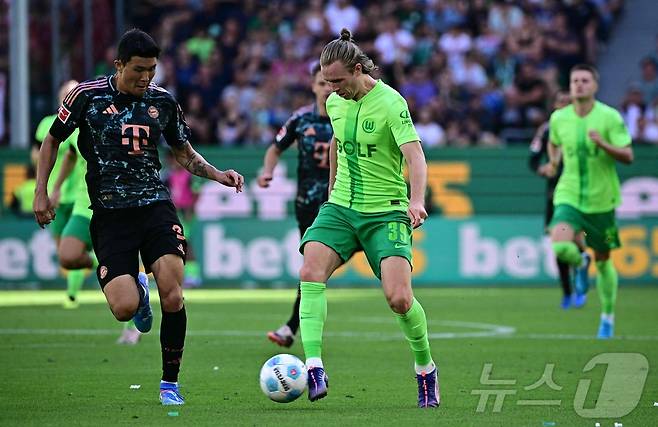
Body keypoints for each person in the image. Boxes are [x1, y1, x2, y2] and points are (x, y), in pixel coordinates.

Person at [33, 29, 244, 405]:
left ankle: (169, 383)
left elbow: (184, 153)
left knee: (174, 294)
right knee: (123, 308)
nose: (146, 78)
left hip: (154, 208)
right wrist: (41, 191)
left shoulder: (162, 102)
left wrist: (217, 174)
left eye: (152, 70)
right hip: (110, 215)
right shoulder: (86, 96)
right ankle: (137, 291)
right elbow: (52, 140)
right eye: (138, 70)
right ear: (119, 65)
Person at [297, 29, 439, 408]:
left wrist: (417, 200)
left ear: (358, 69)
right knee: (310, 272)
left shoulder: (392, 103)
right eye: (327, 82)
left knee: (399, 299)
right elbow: (337, 144)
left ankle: (425, 368)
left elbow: (415, 156)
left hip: (385, 211)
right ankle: (313, 366)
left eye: (338, 81)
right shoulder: (334, 103)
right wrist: (330, 193)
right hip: (342, 206)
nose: (331, 89)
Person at [546, 64, 633, 339]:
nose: (579, 85)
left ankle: (607, 317)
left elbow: (628, 155)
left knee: (605, 261)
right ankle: (581, 261)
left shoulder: (609, 118)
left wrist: (604, 145)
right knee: (560, 246)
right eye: (574, 81)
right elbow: (553, 141)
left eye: (585, 80)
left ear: (594, 86)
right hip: (569, 193)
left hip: (601, 199)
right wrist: (553, 160)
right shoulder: (559, 118)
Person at [258, 61, 333, 348]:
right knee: (315, 269)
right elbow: (275, 148)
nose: (327, 88)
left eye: (330, 82)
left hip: (345, 203)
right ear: (314, 86)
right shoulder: (301, 120)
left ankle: (291, 327)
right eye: (321, 83)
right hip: (309, 205)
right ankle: (292, 327)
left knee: (316, 269)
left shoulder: (349, 117)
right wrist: (267, 172)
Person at [528, 90, 589, 309]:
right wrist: (542, 169)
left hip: (579, 195)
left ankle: (581, 276)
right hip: (555, 196)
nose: (563, 106)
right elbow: (533, 159)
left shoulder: (583, 126)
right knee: (559, 245)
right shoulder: (546, 130)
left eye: (567, 102)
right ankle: (567, 291)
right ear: (554, 105)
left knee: (577, 240)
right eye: (560, 102)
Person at [33, 80, 87, 308]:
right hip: (57, 195)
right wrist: (46, 187)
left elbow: (72, 155)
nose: (69, 97)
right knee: (63, 251)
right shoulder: (47, 124)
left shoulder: (83, 122)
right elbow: (37, 153)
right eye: (66, 93)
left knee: (72, 248)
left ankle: (72, 295)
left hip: (79, 196)